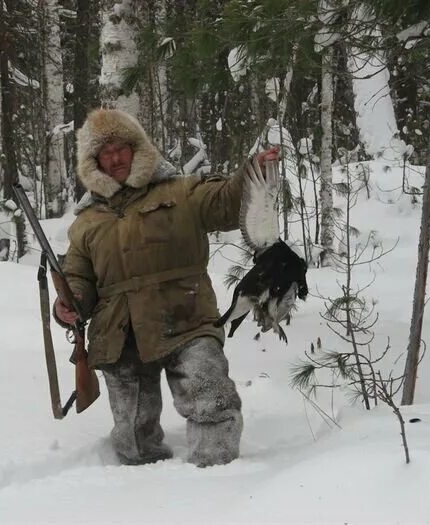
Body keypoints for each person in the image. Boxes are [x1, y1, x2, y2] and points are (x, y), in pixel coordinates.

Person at [54, 108, 276, 467]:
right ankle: (139, 492)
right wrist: (70, 302)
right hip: (120, 332)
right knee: (131, 431)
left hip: (185, 315)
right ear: (93, 162)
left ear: (137, 148)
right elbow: (79, 276)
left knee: (210, 399)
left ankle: (221, 482)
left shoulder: (182, 191)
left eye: (120, 148)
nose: (114, 159)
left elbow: (224, 202)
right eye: (103, 153)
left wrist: (252, 174)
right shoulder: (86, 222)